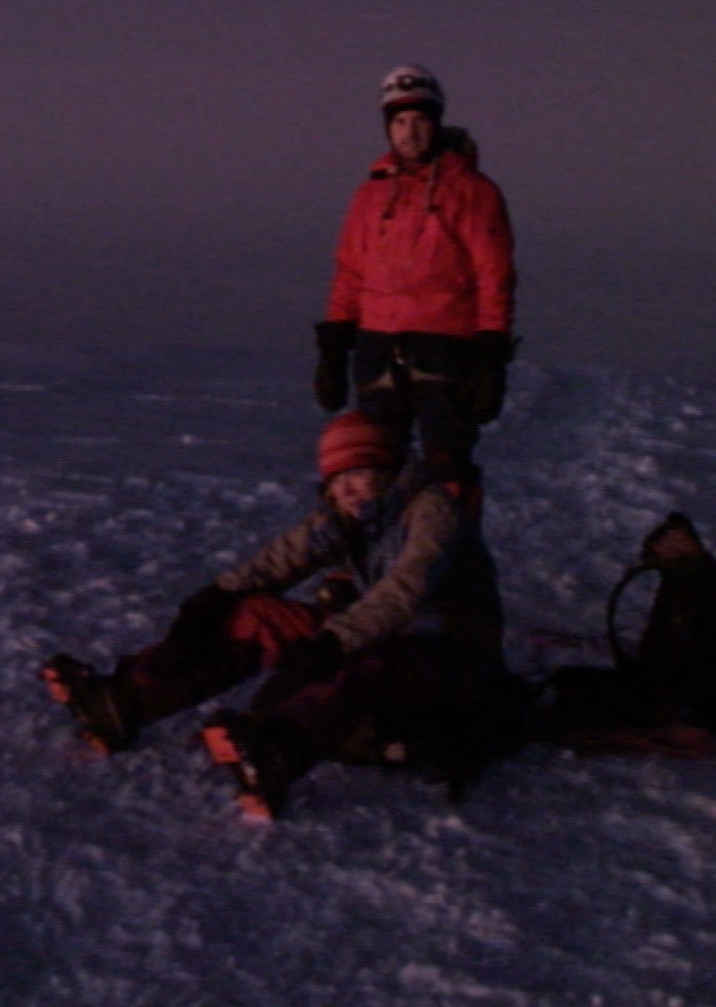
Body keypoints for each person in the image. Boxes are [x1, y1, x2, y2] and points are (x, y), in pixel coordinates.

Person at [39, 411, 513, 820]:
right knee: (258, 614)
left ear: (387, 471)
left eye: (357, 475)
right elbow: (279, 560)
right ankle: (132, 699)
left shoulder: (432, 510)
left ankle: (279, 750)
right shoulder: (346, 516)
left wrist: (332, 642)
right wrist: (213, 599)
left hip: (450, 655)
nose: (345, 489)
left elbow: (405, 591)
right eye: (336, 481)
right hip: (374, 634)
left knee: (368, 665)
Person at [313, 64, 518, 485]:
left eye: (421, 120)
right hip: (377, 348)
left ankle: (452, 545)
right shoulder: (370, 194)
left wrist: (490, 358)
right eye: (400, 122)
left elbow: (493, 276)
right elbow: (350, 270)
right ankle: (382, 548)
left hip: (444, 347)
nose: (411, 132)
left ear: (437, 123)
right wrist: (334, 348)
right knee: (375, 466)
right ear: (388, 129)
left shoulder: (473, 191)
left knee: (448, 467)